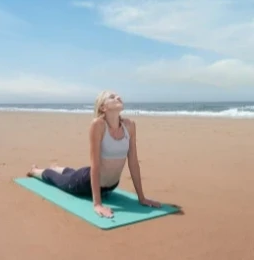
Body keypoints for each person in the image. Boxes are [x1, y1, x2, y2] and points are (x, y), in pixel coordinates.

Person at [27, 90, 161, 218]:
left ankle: (57, 167)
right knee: (58, 179)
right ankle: (36, 171)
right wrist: (97, 204)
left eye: (118, 95)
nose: (118, 97)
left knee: (73, 173)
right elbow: (95, 164)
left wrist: (142, 198)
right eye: (112, 97)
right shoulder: (98, 125)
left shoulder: (130, 125)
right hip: (86, 183)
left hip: (111, 185)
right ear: (103, 107)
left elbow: (133, 163)